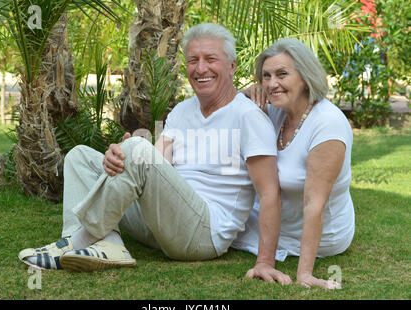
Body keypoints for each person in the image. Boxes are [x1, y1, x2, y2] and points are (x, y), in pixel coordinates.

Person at [18, 23, 291, 284]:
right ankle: (106, 245)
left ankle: (77, 243)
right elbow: (158, 162)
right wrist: (120, 156)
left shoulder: (248, 117)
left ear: (231, 66)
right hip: (162, 223)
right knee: (80, 156)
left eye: (211, 59)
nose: (200, 68)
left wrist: (265, 262)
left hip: (202, 236)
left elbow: (269, 193)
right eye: (192, 60)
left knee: (138, 149)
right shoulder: (183, 110)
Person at [232, 38, 355, 289]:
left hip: (320, 236)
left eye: (282, 74)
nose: (271, 83)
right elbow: (230, 106)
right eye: (265, 76)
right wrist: (246, 94)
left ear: (305, 76)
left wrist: (305, 274)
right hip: (276, 221)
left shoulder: (327, 124)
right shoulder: (277, 110)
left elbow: (314, 203)